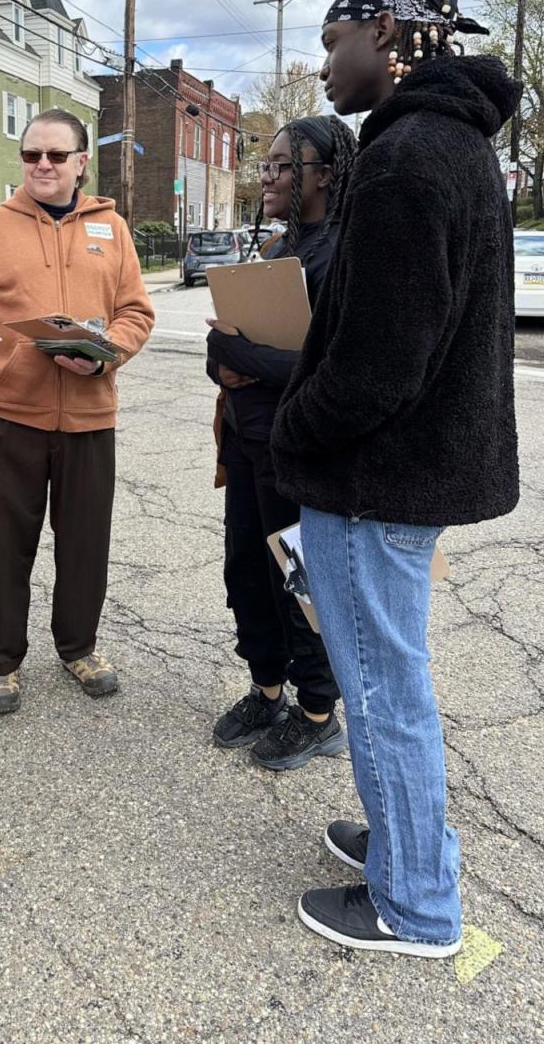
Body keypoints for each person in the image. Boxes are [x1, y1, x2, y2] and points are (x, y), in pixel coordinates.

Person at [271, 0, 521, 956]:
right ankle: (403, 845)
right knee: (387, 679)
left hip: (379, 480)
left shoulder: (412, 154)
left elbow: (382, 364)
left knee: (383, 688)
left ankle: (415, 901)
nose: (323, 66)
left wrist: (293, 428)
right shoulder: (445, 142)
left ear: (386, 34)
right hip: (404, 475)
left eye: (334, 43)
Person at [0, 108, 155, 715]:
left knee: (85, 543)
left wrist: (105, 357)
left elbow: (135, 313)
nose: (42, 166)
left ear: (82, 162)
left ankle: (78, 648)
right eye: (32, 155)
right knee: (7, 545)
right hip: (6, 417)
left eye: (56, 156)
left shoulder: (112, 229)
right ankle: (2, 664)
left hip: (89, 415)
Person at [206, 115, 357, 769]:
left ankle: (318, 711)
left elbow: (326, 370)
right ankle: (265, 687)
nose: (265, 177)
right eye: (263, 166)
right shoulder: (275, 253)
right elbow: (230, 347)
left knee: (298, 581)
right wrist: (223, 359)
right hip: (245, 440)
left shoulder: (345, 256)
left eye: (280, 166)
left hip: (298, 455)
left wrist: (242, 351)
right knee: (246, 571)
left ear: (324, 174)